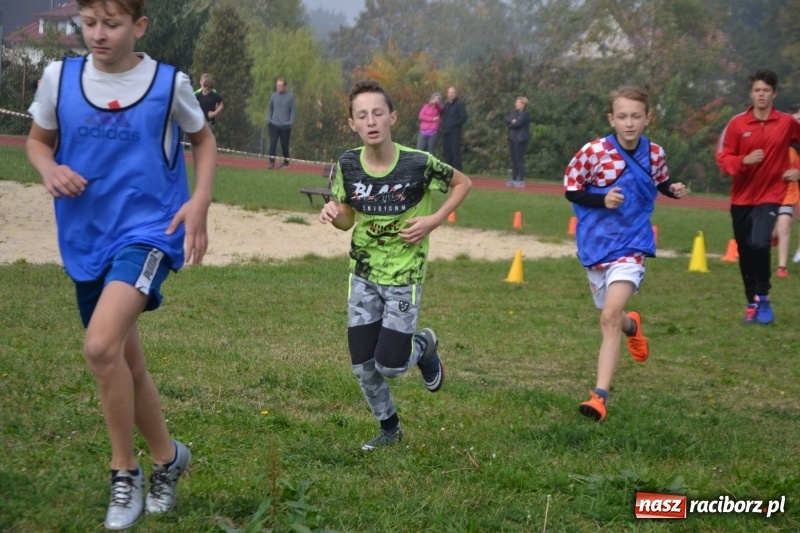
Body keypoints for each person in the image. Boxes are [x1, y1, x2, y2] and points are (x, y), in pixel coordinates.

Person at [25, 0, 216, 529]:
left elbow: (203, 138)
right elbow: (38, 143)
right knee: (125, 364)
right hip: (86, 237)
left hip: (151, 231)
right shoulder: (58, 79)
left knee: (100, 345)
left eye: (111, 24)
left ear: (139, 26)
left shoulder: (168, 83)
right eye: (89, 24)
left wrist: (199, 200)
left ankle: (123, 472)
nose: (98, 35)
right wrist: (49, 167)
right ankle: (168, 458)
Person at [319, 80, 472, 450]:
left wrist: (432, 221)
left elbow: (463, 183)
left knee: (390, 364)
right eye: (361, 115)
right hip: (364, 274)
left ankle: (425, 346)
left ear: (392, 118)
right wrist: (332, 213)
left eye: (377, 113)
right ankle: (390, 429)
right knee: (362, 366)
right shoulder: (348, 165)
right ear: (352, 124)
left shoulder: (417, 163)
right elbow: (348, 220)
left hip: (404, 275)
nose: (370, 121)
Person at [563, 86, 687, 422]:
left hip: (632, 245)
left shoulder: (655, 153)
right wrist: (601, 199)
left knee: (608, 317)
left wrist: (672, 189)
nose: (629, 123)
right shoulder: (594, 152)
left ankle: (599, 397)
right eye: (622, 116)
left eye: (636, 116)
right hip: (595, 245)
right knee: (612, 317)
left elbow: (659, 180)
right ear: (611, 119)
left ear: (648, 118)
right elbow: (571, 191)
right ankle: (633, 327)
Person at [716, 68, 800, 324]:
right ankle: (751, 301)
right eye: (757, 90)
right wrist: (745, 160)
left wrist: (797, 170)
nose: (761, 95)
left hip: (771, 194)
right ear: (751, 94)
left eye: (766, 90)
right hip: (742, 198)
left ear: (774, 93)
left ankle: (763, 296)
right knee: (746, 249)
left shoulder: (787, 123)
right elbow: (723, 159)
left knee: (759, 242)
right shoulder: (737, 124)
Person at [266, 77, 296, 169]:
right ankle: (271, 162)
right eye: (277, 85)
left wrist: (290, 122)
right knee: (273, 143)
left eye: (280, 86)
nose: (278, 87)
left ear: (285, 86)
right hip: (274, 125)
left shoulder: (290, 97)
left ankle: (286, 162)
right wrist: (269, 120)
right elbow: (270, 108)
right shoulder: (273, 96)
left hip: (285, 126)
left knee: (284, 144)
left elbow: (293, 111)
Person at [504, 95, 531, 188]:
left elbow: (518, 124)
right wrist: (512, 121)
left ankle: (521, 180)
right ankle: (514, 179)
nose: (515, 104)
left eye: (517, 102)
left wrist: (512, 124)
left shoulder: (526, 114)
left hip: (521, 139)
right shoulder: (515, 113)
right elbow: (506, 119)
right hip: (512, 139)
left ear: (523, 104)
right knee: (514, 160)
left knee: (519, 159)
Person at [440, 86, 468, 170]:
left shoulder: (460, 104)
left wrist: (453, 124)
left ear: (455, 94)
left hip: (455, 133)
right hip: (446, 132)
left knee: (455, 153)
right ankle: (448, 172)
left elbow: (464, 117)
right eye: (450, 93)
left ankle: (458, 173)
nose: (451, 94)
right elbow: (443, 117)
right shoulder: (446, 105)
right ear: (447, 94)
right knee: (447, 153)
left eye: (453, 93)